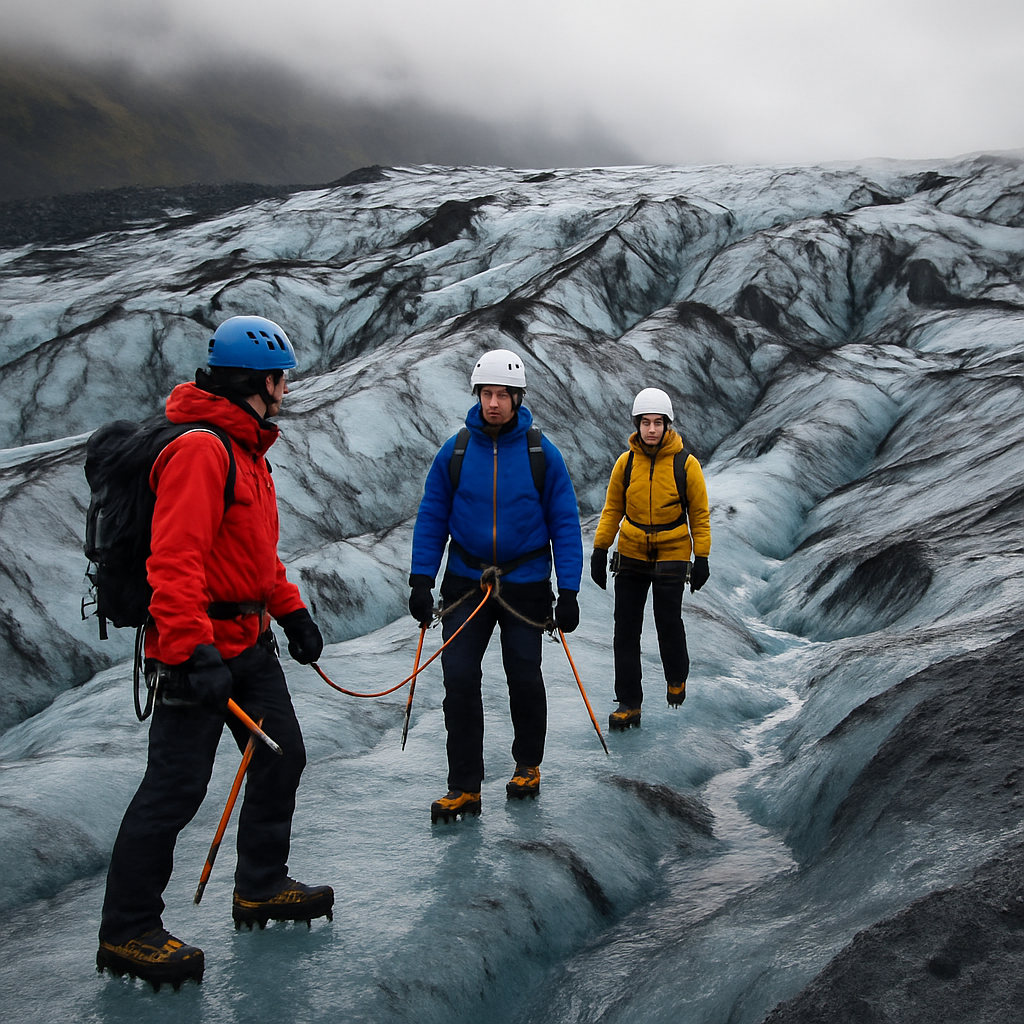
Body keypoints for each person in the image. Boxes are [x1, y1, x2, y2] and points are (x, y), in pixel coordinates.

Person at [97, 315, 333, 991]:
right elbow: (174, 562)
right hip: (196, 650)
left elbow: (253, 559)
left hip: (248, 644)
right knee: (174, 790)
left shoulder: (247, 452)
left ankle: (259, 885)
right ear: (256, 382)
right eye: (280, 378)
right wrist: (190, 650)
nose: (286, 389)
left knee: (281, 753)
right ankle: (127, 930)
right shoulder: (203, 451)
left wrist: (292, 613)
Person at [408, 348, 583, 823]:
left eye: (503, 394)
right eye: (487, 393)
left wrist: (569, 591)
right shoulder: (456, 451)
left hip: (525, 583)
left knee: (523, 677)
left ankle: (527, 764)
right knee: (459, 679)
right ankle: (464, 786)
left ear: (517, 397)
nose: (494, 403)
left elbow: (565, 522)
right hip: (466, 581)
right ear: (477, 395)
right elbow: (432, 516)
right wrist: (422, 579)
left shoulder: (541, 454)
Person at [590, 387, 711, 730]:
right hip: (631, 548)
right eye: (646, 422)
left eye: (658, 423)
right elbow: (613, 508)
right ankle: (629, 703)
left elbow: (699, 515)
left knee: (667, 621)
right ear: (637, 425)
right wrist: (601, 549)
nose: (652, 429)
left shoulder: (686, 465)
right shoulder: (625, 464)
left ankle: (676, 677)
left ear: (668, 425)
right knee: (625, 630)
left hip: (673, 548)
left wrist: (700, 557)